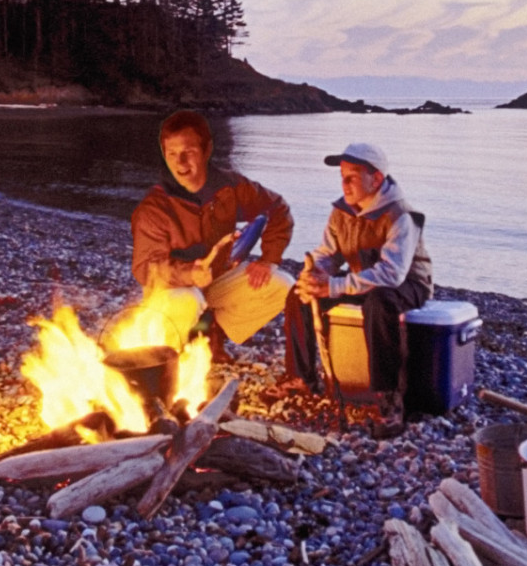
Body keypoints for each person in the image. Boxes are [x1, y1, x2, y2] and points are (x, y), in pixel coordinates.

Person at [284, 142, 433, 437]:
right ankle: (301, 378)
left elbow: (391, 274)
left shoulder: (402, 215)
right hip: (363, 280)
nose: (344, 184)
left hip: (407, 284)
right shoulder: (342, 211)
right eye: (342, 176)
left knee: (379, 301)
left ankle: (388, 398)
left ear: (375, 179)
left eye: (352, 177)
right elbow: (329, 253)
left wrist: (334, 286)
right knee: (298, 295)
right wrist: (315, 275)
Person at [131, 111, 295, 357]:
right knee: (188, 301)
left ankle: (212, 333)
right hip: (172, 288)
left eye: (189, 152)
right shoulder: (154, 207)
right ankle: (171, 357)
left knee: (283, 286)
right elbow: (146, 268)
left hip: (219, 277)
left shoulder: (230, 186)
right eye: (172, 154)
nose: (180, 163)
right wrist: (189, 273)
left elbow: (277, 208)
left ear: (206, 150)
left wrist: (268, 259)